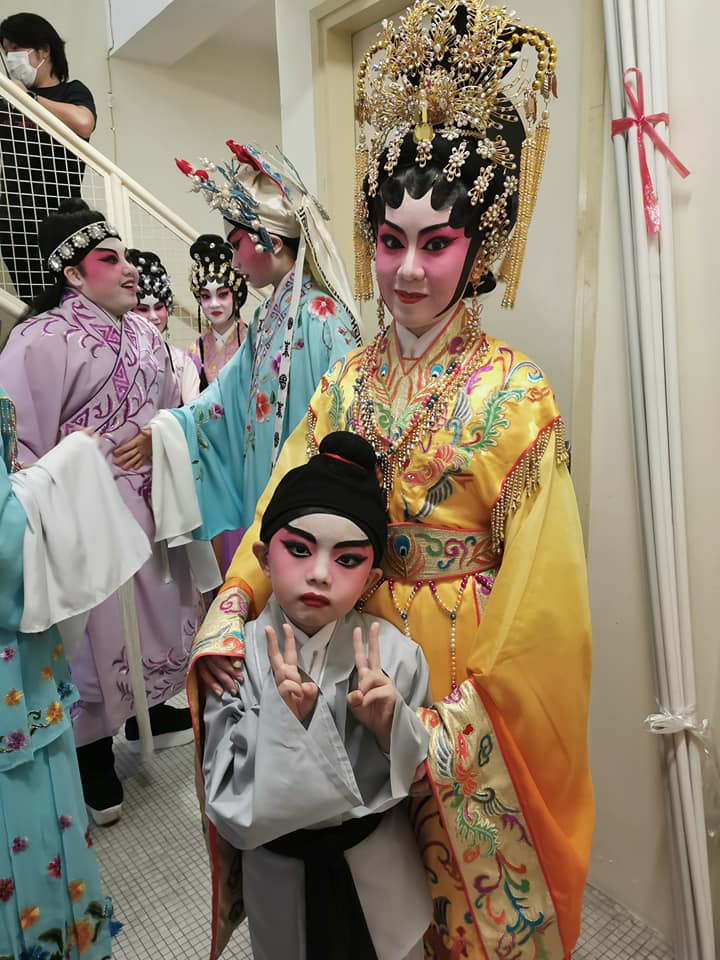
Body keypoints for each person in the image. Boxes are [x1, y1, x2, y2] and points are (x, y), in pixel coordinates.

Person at [190, 4, 593, 959]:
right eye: (388, 239)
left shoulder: (516, 395)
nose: (407, 270)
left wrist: (449, 729)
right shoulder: (343, 380)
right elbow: (280, 510)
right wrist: (235, 602)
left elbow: (545, 603)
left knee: (447, 911)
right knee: (346, 892)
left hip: (457, 672)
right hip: (336, 646)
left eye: (436, 243)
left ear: (480, 251)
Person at [0, 199, 217, 826]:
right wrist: (67, 471)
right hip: (84, 512)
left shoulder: (145, 334)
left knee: (159, 614)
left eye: (126, 257)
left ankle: (153, 708)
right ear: (73, 273)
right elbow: (19, 441)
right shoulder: (37, 341)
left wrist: (157, 433)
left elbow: (173, 406)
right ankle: (91, 747)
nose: (129, 269)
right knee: (93, 632)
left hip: (150, 503)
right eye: (109, 259)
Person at [200, 431, 432, 960]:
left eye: (347, 560)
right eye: (299, 550)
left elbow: (417, 786)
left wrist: (389, 726)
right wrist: (285, 724)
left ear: (372, 577)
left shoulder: (395, 656)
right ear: (263, 556)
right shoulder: (232, 660)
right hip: (279, 871)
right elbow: (227, 803)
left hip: (378, 862)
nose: (321, 574)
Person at [114, 142, 362, 576]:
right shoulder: (268, 318)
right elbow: (224, 396)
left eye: (235, 244)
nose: (232, 260)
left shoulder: (321, 317)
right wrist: (170, 428)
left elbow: (349, 418)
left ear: (270, 240)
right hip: (266, 489)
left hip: (314, 503)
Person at [0, 389, 151, 959]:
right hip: (11, 664)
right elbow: (4, 541)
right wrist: (66, 467)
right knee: (26, 818)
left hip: (22, 656)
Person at [0, 13, 96, 301]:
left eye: (16, 49)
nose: (10, 58)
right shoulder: (6, 103)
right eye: (6, 52)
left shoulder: (71, 91)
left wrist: (29, 99)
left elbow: (84, 123)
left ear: (43, 51)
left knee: (73, 298)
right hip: (15, 220)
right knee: (37, 301)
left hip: (61, 214)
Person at [128, 248, 200, 403]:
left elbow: (193, 410)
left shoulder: (181, 362)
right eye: (143, 309)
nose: (153, 317)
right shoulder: (120, 359)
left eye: (159, 307)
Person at [187, 233, 247, 392]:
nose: (214, 304)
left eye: (223, 294)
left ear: (236, 295)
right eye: (206, 296)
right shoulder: (195, 351)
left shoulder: (254, 340)